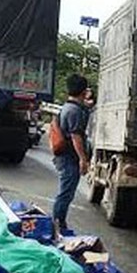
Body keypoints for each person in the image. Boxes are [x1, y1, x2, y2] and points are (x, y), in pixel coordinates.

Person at [51, 74, 92, 233]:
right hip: (68, 157)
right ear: (83, 91)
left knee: (66, 191)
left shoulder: (70, 107)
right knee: (66, 193)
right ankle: (58, 225)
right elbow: (76, 137)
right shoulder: (74, 111)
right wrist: (83, 159)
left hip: (65, 157)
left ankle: (58, 223)